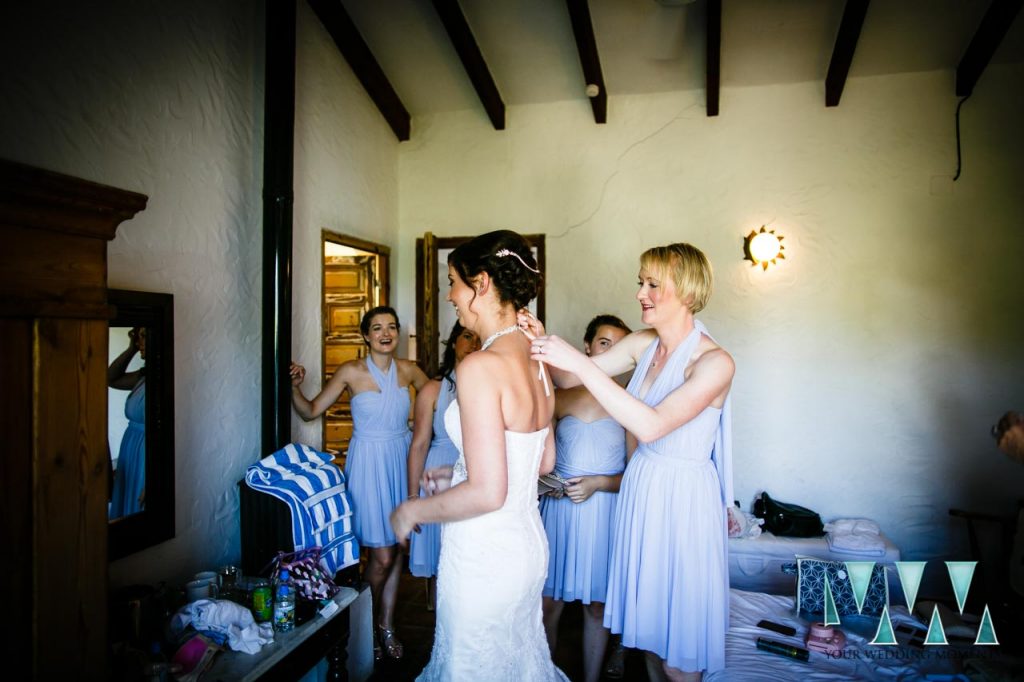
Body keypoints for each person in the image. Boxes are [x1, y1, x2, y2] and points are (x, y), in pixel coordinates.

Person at [526, 243, 734, 682]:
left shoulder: (715, 363)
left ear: (688, 290)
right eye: (640, 281)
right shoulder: (644, 343)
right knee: (653, 642)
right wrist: (537, 336)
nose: (641, 292)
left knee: (678, 651)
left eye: (653, 284)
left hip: (680, 499)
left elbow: (654, 425)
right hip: (643, 489)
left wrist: (580, 366)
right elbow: (566, 376)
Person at [390, 230, 568, 681]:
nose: (450, 295)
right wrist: (457, 472)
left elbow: (489, 492)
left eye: (453, 281)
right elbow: (541, 460)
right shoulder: (536, 358)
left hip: (484, 554)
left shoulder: (479, 367)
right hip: (526, 547)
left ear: (482, 284)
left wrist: (414, 509)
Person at [290, 305, 429, 660]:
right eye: (378, 328)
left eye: (392, 327)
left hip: (402, 459)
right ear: (365, 335)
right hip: (368, 463)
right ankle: (361, 625)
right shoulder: (351, 371)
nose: (386, 334)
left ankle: (386, 625)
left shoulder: (410, 371)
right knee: (381, 555)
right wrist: (293, 386)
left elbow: (439, 404)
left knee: (397, 548)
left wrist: (423, 431)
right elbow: (309, 410)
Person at [540, 314, 631, 682]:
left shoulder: (628, 404)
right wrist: (552, 484)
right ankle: (543, 673)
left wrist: (598, 483)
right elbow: (538, 461)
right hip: (560, 512)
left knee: (598, 606)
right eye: (605, 343)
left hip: (604, 513)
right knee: (549, 603)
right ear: (588, 348)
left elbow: (636, 477)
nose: (611, 352)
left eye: (620, 346)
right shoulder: (558, 398)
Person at [407, 322, 481, 607]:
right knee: (441, 559)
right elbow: (419, 444)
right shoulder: (433, 389)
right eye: (466, 337)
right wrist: (414, 497)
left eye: (479, 338)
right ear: (453, 344)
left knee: (471, 561)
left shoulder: (491, 386)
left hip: (476, 474)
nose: (473, 343)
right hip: (439, 474)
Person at [109, 326, 146, 518]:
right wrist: (131, 348)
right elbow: (111, 378)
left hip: (146, 452)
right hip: (131, 447)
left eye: (144, 337)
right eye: (138, 338)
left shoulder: (164, 376)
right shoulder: (143, 375)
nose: (140, 342)